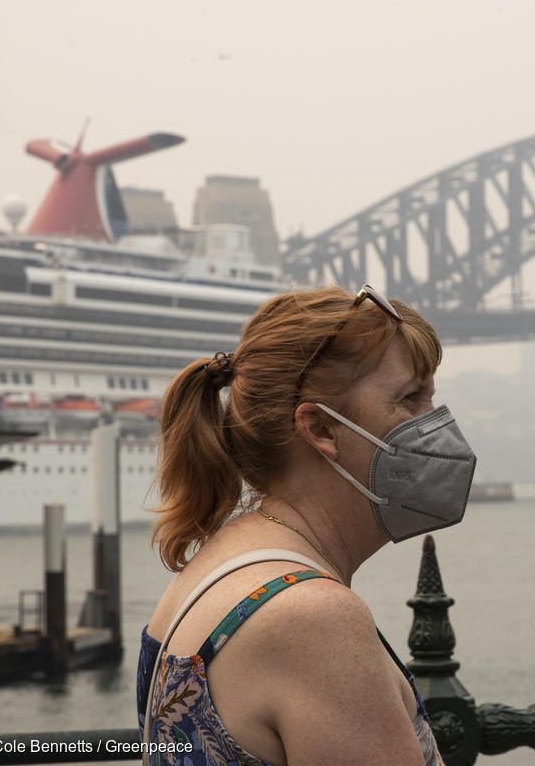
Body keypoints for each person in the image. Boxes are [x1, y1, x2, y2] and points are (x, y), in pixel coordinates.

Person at [136, 284, 477, 766]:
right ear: (319, 428)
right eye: (410, 399)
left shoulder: (214, 568)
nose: (437, 423)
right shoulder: (315, 619)